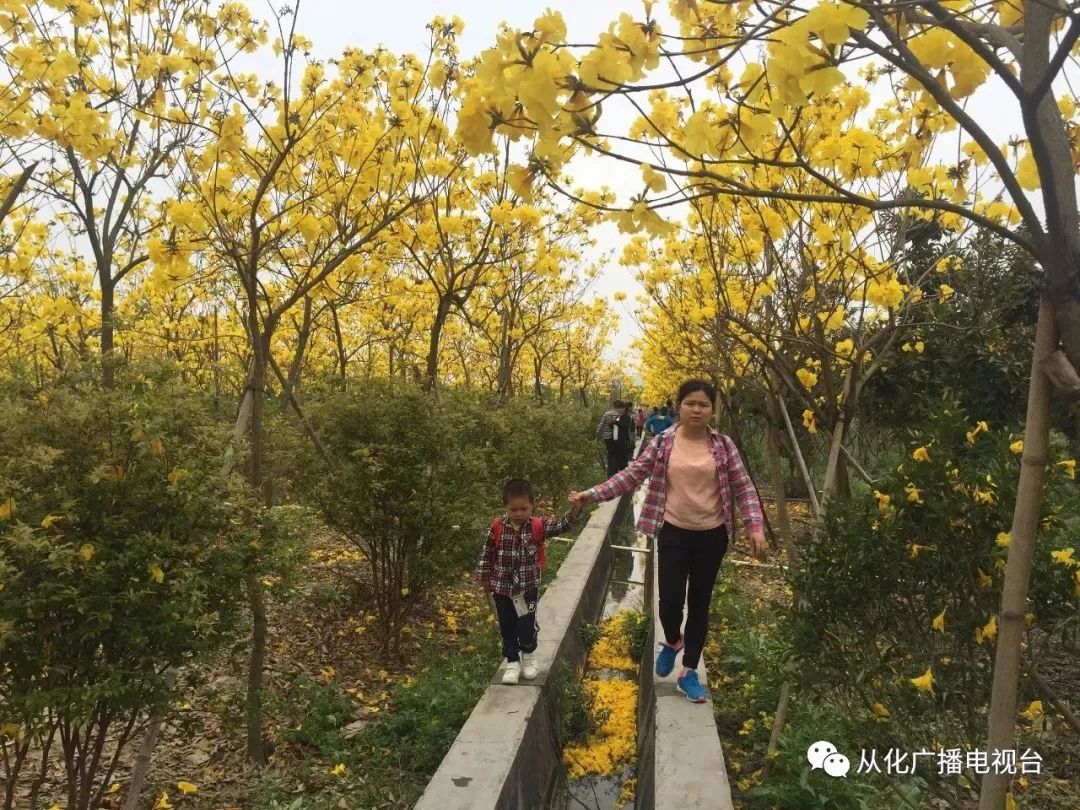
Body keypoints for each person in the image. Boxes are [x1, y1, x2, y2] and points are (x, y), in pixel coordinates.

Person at [569, 379, 766, 703]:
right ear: (680, 406)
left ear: (712, 409)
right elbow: (631, 475)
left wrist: (754, 526)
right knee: (670, 603)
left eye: (704, 404)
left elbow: (742, 486)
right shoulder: (664, 442)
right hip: (673, 531)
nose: (697, 409)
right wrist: (592, 495)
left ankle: (688, 672)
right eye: (691, 403)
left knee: (700, 603)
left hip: (712, 535)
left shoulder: (723, 445)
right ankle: (673, 640)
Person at [477, 478, 584, 685]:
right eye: (513, 509)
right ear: (506, 507)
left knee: (526, 624)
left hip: (527, 588)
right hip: (502, 588)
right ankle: (512, 661)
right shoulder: (498, 526)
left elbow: (561, 525)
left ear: (532, 505)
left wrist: (574, 511)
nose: (518, 513)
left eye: (523, 509)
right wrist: (484, 577)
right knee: (506, 624)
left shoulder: (538, 526)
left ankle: (528, 656)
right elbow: (487, 552)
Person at [595, 399, 625, 476]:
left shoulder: (607, 414)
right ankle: (613, 471)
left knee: (610, 453)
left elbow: (601, 425)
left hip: (606, 437)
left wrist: (597, 434)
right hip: (615, 438)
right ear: (620, 407)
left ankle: (609, 472)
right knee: (614, 454)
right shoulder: (620, 415)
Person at [615, 401, 636, 471]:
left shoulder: (627, 417)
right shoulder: (620, 416)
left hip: (624, 442)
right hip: (619, 442)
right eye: (617, 408)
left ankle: (623, 476)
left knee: (623, 462)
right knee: (620, 461)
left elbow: (625, 427)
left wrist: (615, 422)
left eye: (619, 408)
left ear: (623, 408)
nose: (617, 410)